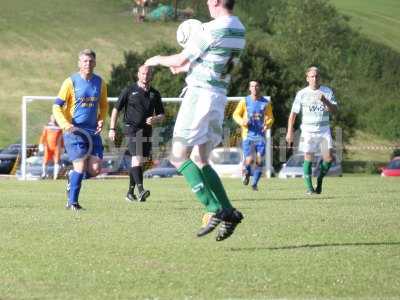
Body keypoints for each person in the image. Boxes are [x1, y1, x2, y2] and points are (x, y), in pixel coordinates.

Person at [145, 0, 246, 241]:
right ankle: (229, 212)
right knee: (200, 159)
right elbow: (214, 60)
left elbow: (179, 59)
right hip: (218, 96)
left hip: (200, 96)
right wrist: (188, 68)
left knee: (177, 156)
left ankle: (213, 209)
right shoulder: (239, 28)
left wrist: (156, 59)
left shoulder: (212, 29)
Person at [53, 49, 108, 211]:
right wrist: (65, 124)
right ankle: (73, 203)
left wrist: (101, 119)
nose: (88, 64)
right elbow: (56, 106)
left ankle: (73, 178)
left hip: (93, 132)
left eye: (91, 61)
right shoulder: (70, 82)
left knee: (96, 169)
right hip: (74, 132)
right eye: (85, 61)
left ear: (95, 63)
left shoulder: (101, 82)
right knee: (80, 166)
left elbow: (104, 105)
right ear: (79, 63)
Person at [108, 65, 165, 202]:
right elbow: (116, 109)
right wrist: (112, 129)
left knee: (140, 162)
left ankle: (130, 192)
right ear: (138, 74)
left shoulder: (155, 94)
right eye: (143, 73)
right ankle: (141, 190)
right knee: (137, 157)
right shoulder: (129, 90)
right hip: (131, 129)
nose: (145, 76)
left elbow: (162, 115)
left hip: (146, 130)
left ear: (151, 76)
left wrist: (155, 119)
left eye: (148, 74)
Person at [286, 66, 338, 195]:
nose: (314, 78)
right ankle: (310, 189)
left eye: (316, 76)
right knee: (308, 157)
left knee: (329, 158)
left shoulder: (327, 91)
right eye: (312, 76)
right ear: (307, 78)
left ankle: (319, 181)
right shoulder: (302, 93)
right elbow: (293, 114)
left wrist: (325, 101)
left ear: (320, 78)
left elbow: (335, 111)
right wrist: (289, 131)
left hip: (324, 129)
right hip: (308, 130)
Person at [233, 80, 274, 191]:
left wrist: (268, 124)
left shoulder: (265, 102)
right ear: (249, 88)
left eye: (256, 86)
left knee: (259, 161)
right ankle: (246, 172)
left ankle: (254, 184)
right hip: (248, 135)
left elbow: (270, 117)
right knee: (250, 160)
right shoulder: (244, 101)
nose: (254, 88)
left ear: (259, 88)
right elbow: (235, 114)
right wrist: (242, 121)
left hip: (260, 136)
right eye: (252, 86)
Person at [38, 114, 64, 180]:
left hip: (56, 147)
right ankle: (44, 174)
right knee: (45, 160)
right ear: (51, 118)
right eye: (53, 118)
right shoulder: (47, 127)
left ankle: (56, 176)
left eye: (55, 118)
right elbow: (43, 136)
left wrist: (62, 147)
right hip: (48, 147)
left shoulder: (60, 127)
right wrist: (41, 144)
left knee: (57, 161)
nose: (54, 119)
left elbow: (62, 138)